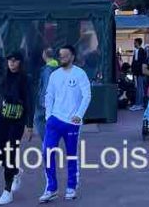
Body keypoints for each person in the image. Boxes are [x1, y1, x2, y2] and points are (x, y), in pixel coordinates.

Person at [41, 44, 91, 203]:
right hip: (54, 121)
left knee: (71, 155)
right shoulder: (54, 75)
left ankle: (71, 187)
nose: (61, 57)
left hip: (72, 123)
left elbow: (87, 95)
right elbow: (49, 96)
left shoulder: (80, 74)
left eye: (64, 55)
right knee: (47, 153)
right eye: (60, 55)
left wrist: (79, 115)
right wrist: (49, 116)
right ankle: (51, 188)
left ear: (72, 57)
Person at [0, 51, 34, 206]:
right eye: (9, 60)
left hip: (17, 122)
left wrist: (29, 126)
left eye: (15, 60)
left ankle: (7, 190)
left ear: (20, 62)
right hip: (3, 120)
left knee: (10, 152)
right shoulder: (4, 77)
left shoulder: (25, 79)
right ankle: (16, 172)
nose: (12, 63)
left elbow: (30, 102)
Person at [34, 48, 60, 140]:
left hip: (45, 100)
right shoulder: (57, 67)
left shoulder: (47, 70)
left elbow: (46, 85)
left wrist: (44, 101)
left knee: (38, 119)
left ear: (44, 55)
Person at [130, 38, 148, 112]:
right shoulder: (136, 51)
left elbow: (140, 62)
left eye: (135, 42)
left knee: (140, 89)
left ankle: (139, 104)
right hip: (136, 73)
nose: (134, 44)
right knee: (138, 88)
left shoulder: (142, 51)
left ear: (137, 43)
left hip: (140, 73)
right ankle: (137, 103)